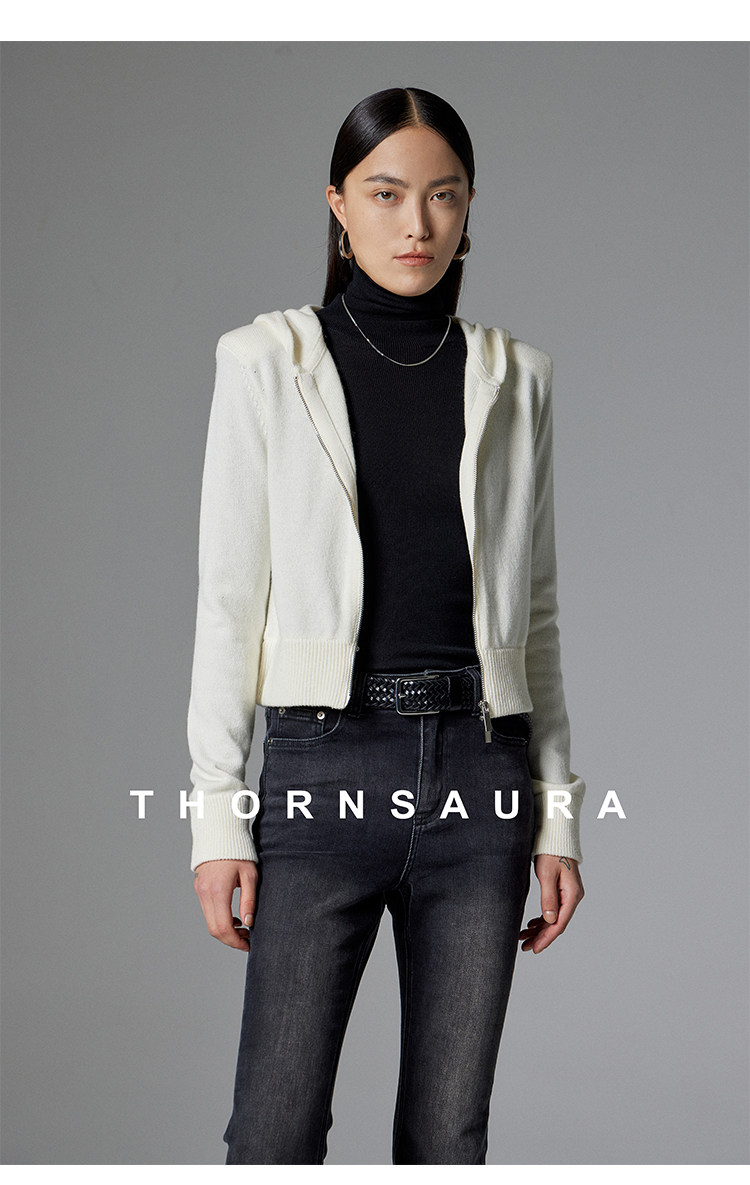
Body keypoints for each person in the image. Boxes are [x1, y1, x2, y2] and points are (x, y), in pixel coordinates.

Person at [186, 86, 586, 1166]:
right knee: (274, 1134)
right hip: (323, 765)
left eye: (443, 196)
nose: (417, 224)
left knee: (448, 1140)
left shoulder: (517, 380)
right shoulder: (265, 363)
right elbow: (229, 599)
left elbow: (536, 616)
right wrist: (218, 818)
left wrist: (557, 816)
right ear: (338, 204)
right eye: (386, 193)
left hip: (481, 774)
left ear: (469, 210)